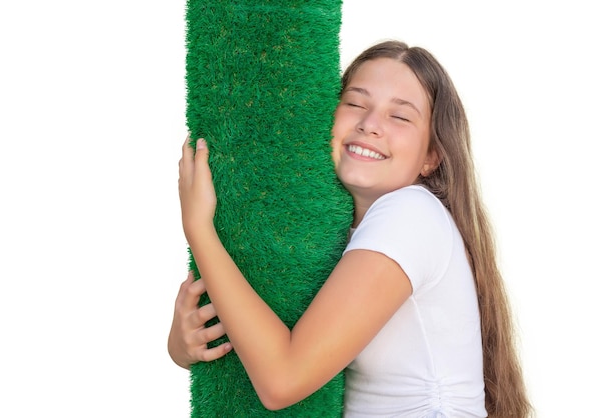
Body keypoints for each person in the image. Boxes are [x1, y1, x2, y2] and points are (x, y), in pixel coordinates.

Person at [172, 40, 532, 417]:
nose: (370, 124)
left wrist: (199, 228)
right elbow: (259, 338)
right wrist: (183, 344)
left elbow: (282, 380)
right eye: (357, 104)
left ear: (431, 156)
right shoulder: (346, 236)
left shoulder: (411, 213)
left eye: (400, 117)